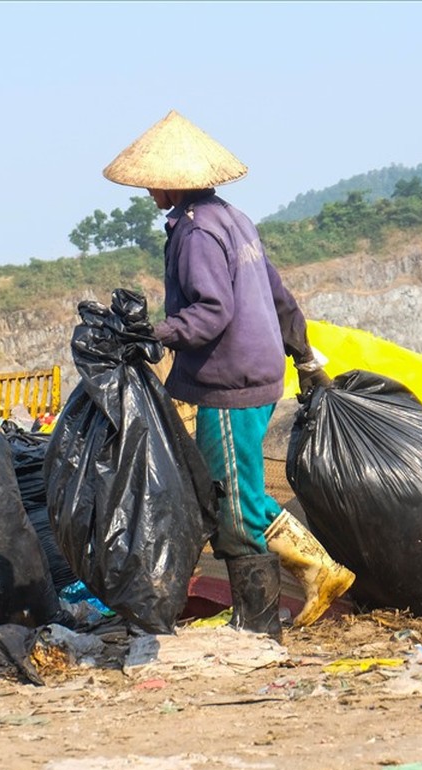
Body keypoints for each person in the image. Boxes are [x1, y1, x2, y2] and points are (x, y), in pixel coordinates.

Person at [102, 110, 353, 640]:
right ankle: (313, 572)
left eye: (153, 183)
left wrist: (157, 333)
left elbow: (211, 312)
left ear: (171, 184)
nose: (149, 192)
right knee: (239, 489)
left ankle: (264, 618)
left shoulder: (194, 235)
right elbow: (279, 297)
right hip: (260, 372)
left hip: (229, 383)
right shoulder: (234, 220)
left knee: (232, 504)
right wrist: (305, 358)